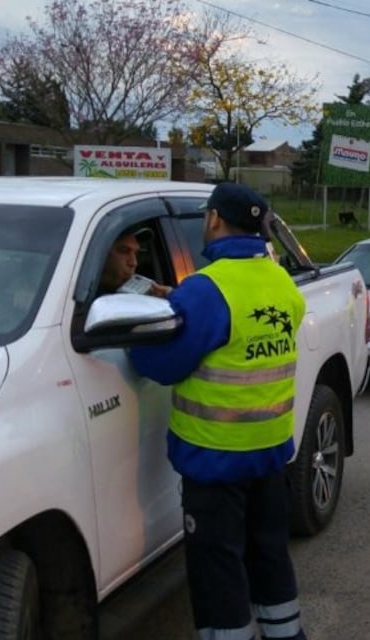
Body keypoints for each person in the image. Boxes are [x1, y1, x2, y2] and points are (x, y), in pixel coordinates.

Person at [127, 182, 308, 640]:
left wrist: (136, 329)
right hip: (268, 451)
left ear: (212, 220)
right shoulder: (280, 282)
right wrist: (178, 302)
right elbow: (238, 327)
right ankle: (287, 633)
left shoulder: (207, 291)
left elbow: (163, 365)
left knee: (218, 563)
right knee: (269, 551)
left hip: (215, 459)